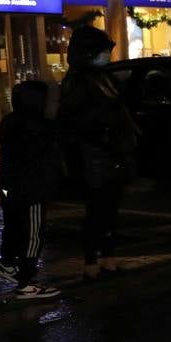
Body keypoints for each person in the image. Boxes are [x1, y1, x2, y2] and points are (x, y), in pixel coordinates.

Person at [58, 27, 137, 279]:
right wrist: (104, 131)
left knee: (110, 208)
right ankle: (92, 261)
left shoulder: (101, 77)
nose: (107, 55)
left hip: (108, 153)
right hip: (93, 154)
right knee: (97, 209)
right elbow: (80, 120)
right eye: (103, 51)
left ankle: (108, 258)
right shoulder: (79, 80)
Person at [0, 81, 63, 299]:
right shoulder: (37, 127)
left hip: (13, 188)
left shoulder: (12, 122)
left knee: (14, 228)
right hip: (32, 190)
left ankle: (7, 263)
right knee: (33, 235)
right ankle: (26, 281)